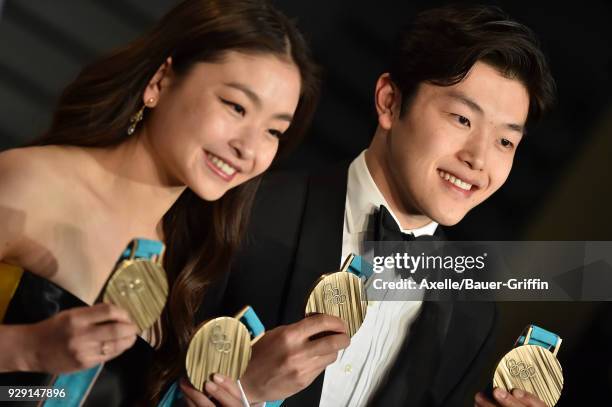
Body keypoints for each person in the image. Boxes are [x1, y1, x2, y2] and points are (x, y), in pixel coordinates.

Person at [196, 4, 557, 407]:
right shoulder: (246, 211)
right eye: (461, 119)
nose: (479, 158)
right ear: (389, 102)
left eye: (505, 141)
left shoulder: (473, 318)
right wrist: (243, 391)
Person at [0, 0, 350, 405]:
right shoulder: (33, 182)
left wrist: (246, 392)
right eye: (236, 107)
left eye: (274, 131)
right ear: (161, 81)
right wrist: (28, 348)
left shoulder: (194, 258)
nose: (248, 147)